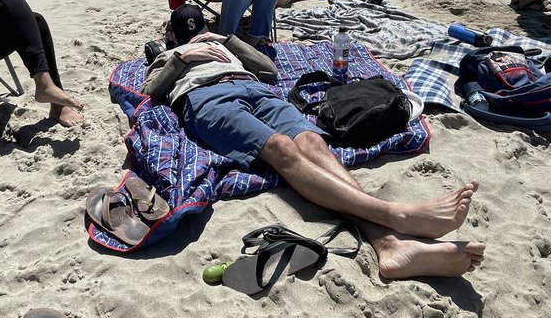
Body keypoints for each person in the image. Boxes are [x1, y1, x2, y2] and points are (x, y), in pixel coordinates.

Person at [142, 33, 485, 279]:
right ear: (171, 36)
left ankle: (389, 244)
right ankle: (395, 216)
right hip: (205, 98)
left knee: (312, 142)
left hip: (255, 88)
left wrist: (228, 40)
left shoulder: (223, 45)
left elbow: (269, 71)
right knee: (280, 148)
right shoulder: (169, 58)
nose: (193, 31)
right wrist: (180, 57)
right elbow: (150, 91)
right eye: (182, 30)